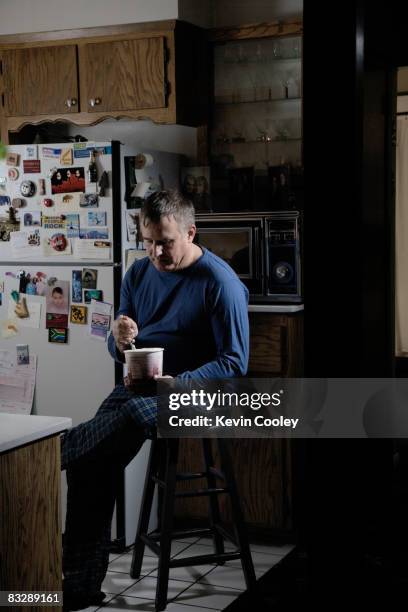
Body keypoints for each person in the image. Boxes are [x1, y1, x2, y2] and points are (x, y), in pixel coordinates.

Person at [61, 190, 249, 611]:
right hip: (142, 389)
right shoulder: (138, 273)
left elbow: (235, 363)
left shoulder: (220, 283)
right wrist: (118, 340)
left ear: (190, 232)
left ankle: (56, 449)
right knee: (91, 462)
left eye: (165, 241)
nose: (156, 251)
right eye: (148, 241)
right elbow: (122, 351)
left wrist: (178, 383)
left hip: (200, 395)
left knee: (104, 430)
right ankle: (81, 583)